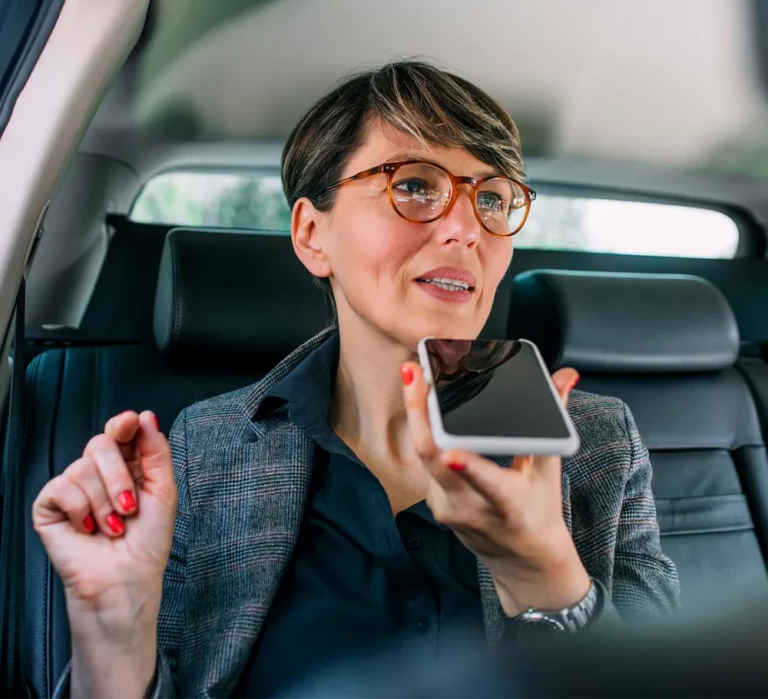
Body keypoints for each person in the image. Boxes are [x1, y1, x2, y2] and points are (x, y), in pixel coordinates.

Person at [32, 60, 680, 699]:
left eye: (491, 198)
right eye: (416, 186)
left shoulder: (593, 441)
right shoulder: (206, 448)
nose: (466, 228)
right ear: (313, 235)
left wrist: (549, 581)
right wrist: (113, 635)